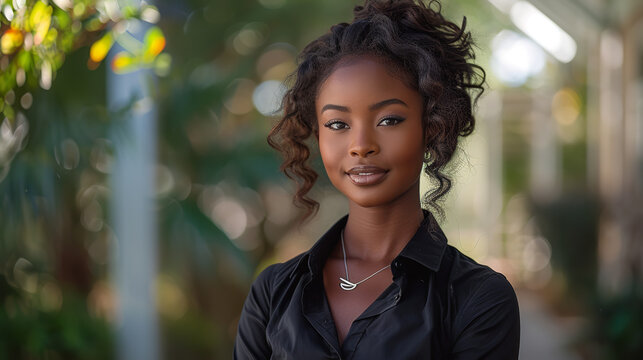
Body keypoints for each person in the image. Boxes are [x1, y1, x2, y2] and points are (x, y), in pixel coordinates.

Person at [234, 0, 520, 358]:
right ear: (318, 136)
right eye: (338, 124)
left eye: (388, 120)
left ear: (431, 127)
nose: (361, 146)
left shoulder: (477, 299)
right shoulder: (272, 293)